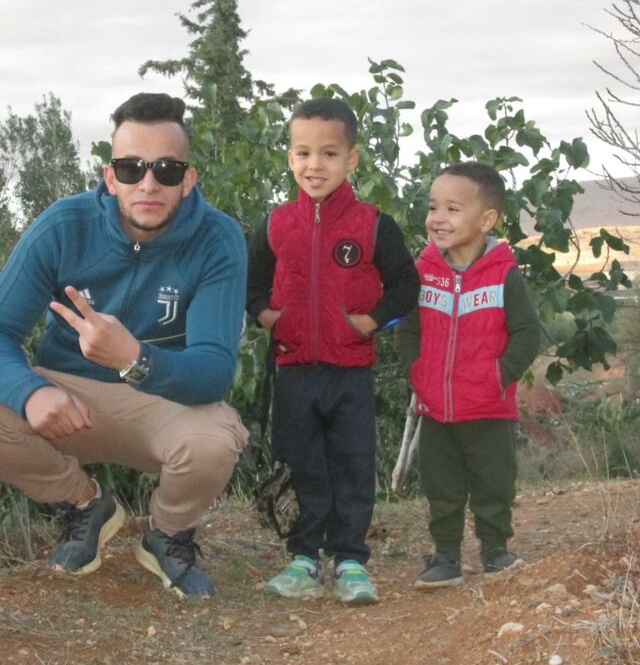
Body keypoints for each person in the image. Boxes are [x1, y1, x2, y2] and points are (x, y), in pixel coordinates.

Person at [0, 92, 248, 599]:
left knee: (215, 441)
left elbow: (214, 369)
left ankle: (166, 534)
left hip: (162, 402)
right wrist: (30, 392)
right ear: (111, 177)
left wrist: (135, 358)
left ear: (188, 179)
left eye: (166, 170)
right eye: (132, 168)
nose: (148, 184)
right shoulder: (63, 226)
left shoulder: (218, 238)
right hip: (67, 397)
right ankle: (84, 505)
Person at [246, 98, 419, 605]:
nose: (314, 165)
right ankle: (302, 558)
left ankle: (349, 560)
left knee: (352, 463)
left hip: (350, 370)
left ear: (352, 158)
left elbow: (406, 285)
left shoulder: (373, 224)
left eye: (328, 153)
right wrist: (267, 317)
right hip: (293, 368)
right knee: (299, 463)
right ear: (289, 157)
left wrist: (369, 321)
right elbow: (251, 284)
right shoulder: (275, 225)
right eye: (303, 152)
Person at [396, 161, 540, 589]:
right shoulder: (422, 273)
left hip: (488, 407)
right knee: (441, 486)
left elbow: (527, 334)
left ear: (486, 220)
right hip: (435, 408)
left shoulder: (503, 274)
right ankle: (445, 557)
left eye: (452, 209)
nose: (437, 218)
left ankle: (496, 551)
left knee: (494, 483)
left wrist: (498, 376)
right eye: (433, 206)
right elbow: (408, 328)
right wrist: (417, 373)